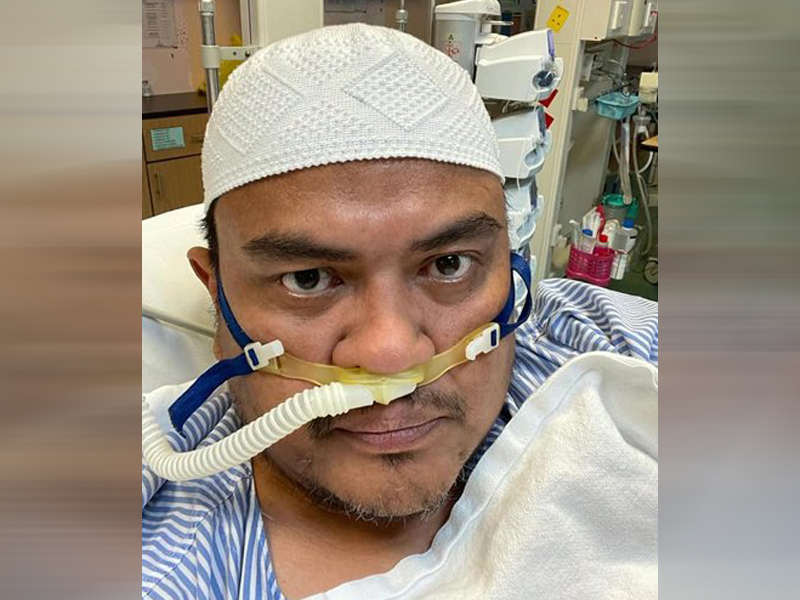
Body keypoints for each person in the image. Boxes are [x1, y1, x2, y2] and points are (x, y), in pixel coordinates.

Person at [142, 23, 658, 600]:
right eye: (307, 279)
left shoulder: (604, 344)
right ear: (217, 295)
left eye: (449, 265)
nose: (390, 355)